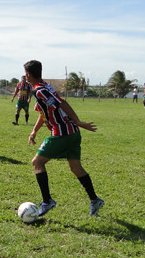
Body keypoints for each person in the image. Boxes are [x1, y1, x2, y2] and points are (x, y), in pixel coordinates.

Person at [24, 60, 103, 217]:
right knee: (76, 168)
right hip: (72, 133)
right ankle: (95, 200)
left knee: (37, 162)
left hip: (62, 133)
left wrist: (79, 121)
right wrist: (34, 131)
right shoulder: (44, 86)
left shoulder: (40, 91)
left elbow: (62, 104)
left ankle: (47, 201)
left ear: (28, 74)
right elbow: (43, 113)